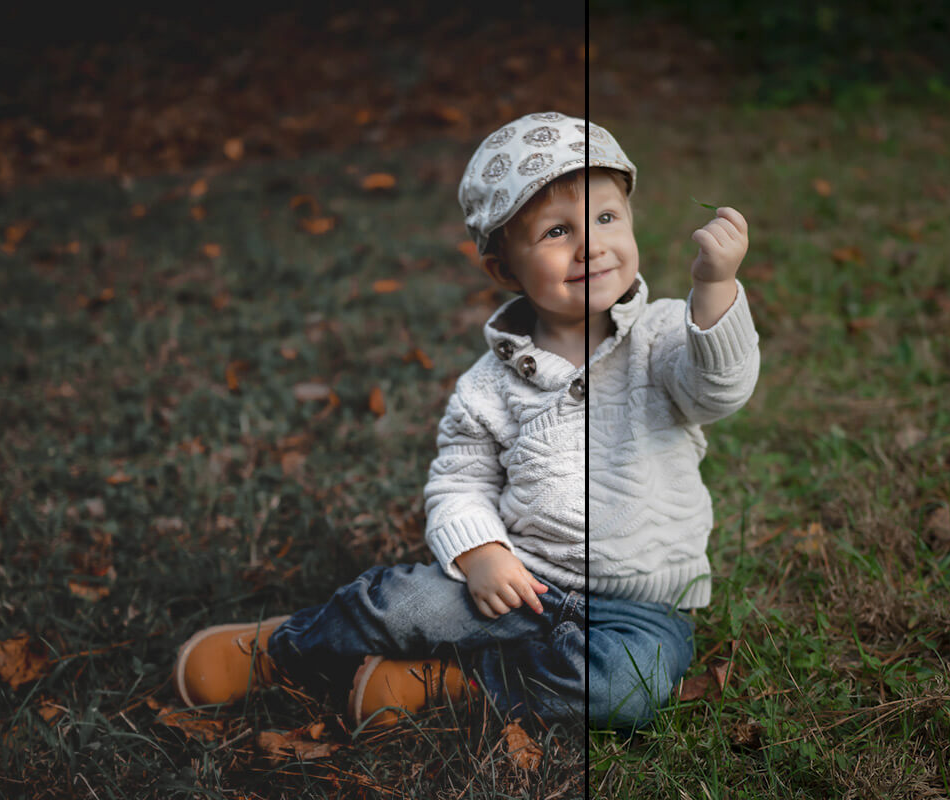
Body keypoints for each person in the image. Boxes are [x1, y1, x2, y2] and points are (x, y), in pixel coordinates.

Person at [173, 111, 759, 733]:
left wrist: (715, 290)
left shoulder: (668, 333)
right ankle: (284, 649)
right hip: (517, 581)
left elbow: (717, 392)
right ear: (504, 268)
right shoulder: (487, 386)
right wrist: (481, 554)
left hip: (638, 606)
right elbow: (460, 483)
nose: (591, 244)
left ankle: (454, 685)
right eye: (558, 231)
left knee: (624, 689)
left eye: (607, 218)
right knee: (403, 602)